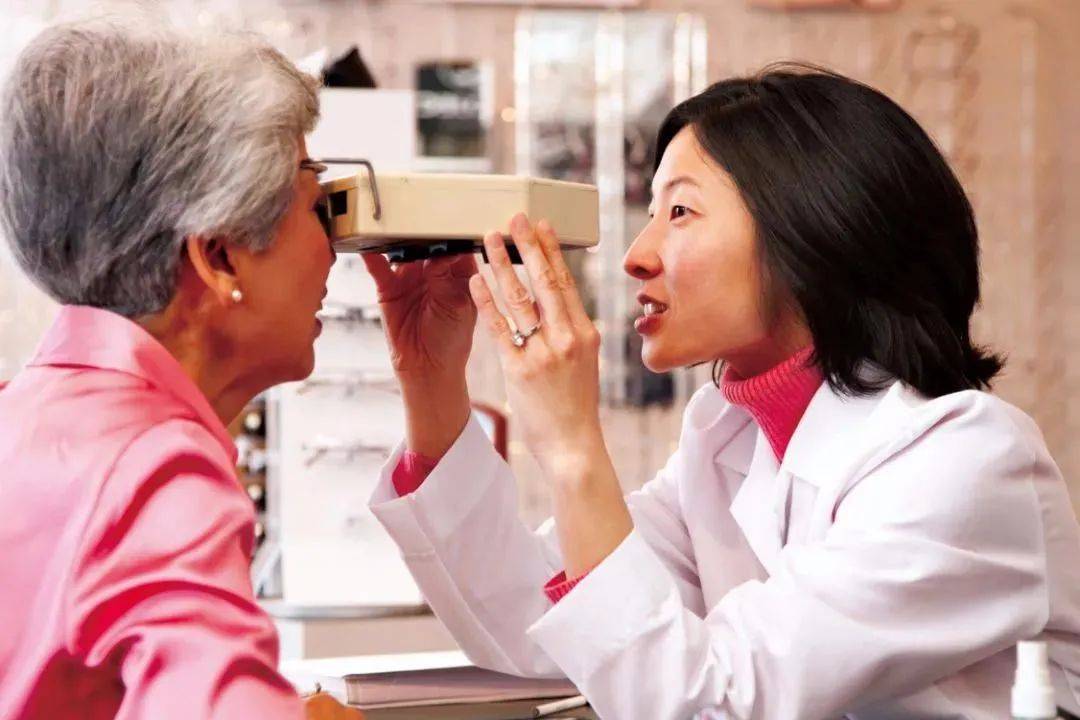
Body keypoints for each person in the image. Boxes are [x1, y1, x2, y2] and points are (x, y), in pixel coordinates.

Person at [365, 66, 1080, 719]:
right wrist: (431, 382)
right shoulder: (727, 437)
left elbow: (709, 702)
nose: (636, 255)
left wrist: (574, 445)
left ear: (813, 229)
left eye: (679, 213)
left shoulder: (969, 462)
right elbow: (535, 629)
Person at [0, 15, 358, 720]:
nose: (335, 250)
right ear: (219, 255)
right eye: (319, 210)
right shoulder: (157, 469)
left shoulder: (19, 413)